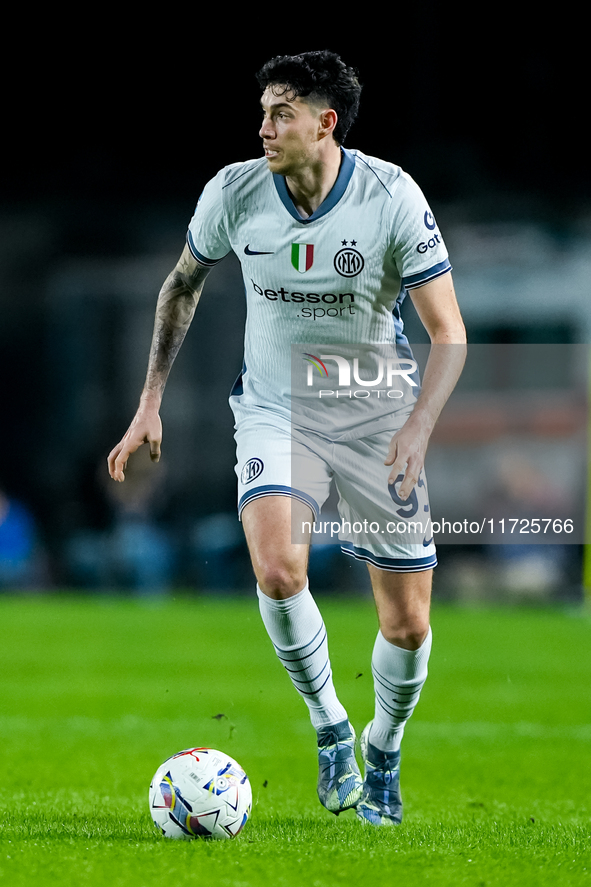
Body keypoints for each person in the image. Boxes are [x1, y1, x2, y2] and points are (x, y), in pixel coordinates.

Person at [108, 50, 466, 826]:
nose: (263, 126)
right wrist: (150, 402)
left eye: (281, 113)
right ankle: (330, 724)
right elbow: (181, 284)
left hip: (374, 414)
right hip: (275, 407)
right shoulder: (234, 191)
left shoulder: (389, 196)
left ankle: (384, 745)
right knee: (276, 568)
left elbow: (449, 332)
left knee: (406, 623)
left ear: (323, 123)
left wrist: (416, 427)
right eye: (264, 111)